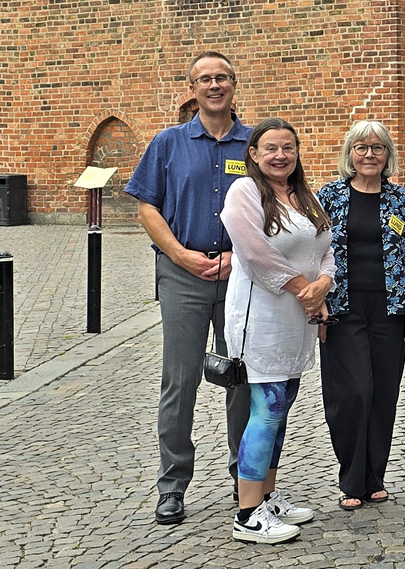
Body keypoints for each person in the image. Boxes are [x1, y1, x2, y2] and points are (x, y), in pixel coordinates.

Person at [124, 51, 252, 525]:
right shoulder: (168, 143)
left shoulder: (254, 144)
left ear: (234, 85)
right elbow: (147, 208)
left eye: (222, 78)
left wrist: (238, 257)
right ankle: (173, 484)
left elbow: (277, 206)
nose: (214, 86)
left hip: (241, 273)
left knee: (241, 374)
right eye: (205, 79)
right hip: (183, 273)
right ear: (192, 88)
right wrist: (180, 255)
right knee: (180, 380)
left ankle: (247, 476)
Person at [221, 117, 335, 544]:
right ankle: (247, 514)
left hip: (298, 318)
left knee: (281, 407)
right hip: (262, 319)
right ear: (253, 153)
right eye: (270, 148)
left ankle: (267, 496)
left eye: (287, 147)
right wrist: (305, 288)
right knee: (266, 407)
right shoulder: (244, 192)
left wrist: (323, 284)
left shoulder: (303, 195)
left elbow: (325, 247)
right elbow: (254, 253)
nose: (280, 155)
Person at [317, 120, 405, 511]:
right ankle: (351, 478)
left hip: (389, 309)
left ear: (387, 156)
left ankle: (374, 476)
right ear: (350, 153)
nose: (369, 155)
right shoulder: (328, 196)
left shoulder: (400, 199)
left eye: (377, 148)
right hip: (342, 309)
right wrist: (318, 303)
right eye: (361, 148)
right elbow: (311, 251)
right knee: (352, 394)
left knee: (383, 393)